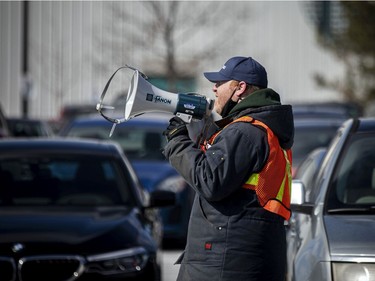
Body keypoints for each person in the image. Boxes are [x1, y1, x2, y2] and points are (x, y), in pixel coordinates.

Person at [162, 56, 294, 281]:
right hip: (242, 255)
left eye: (220, 83)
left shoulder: (245, 132)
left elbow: (210, 180)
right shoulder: (262, 130)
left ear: (240, 88)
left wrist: (176, 142)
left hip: (225, 262)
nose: (214, 88)